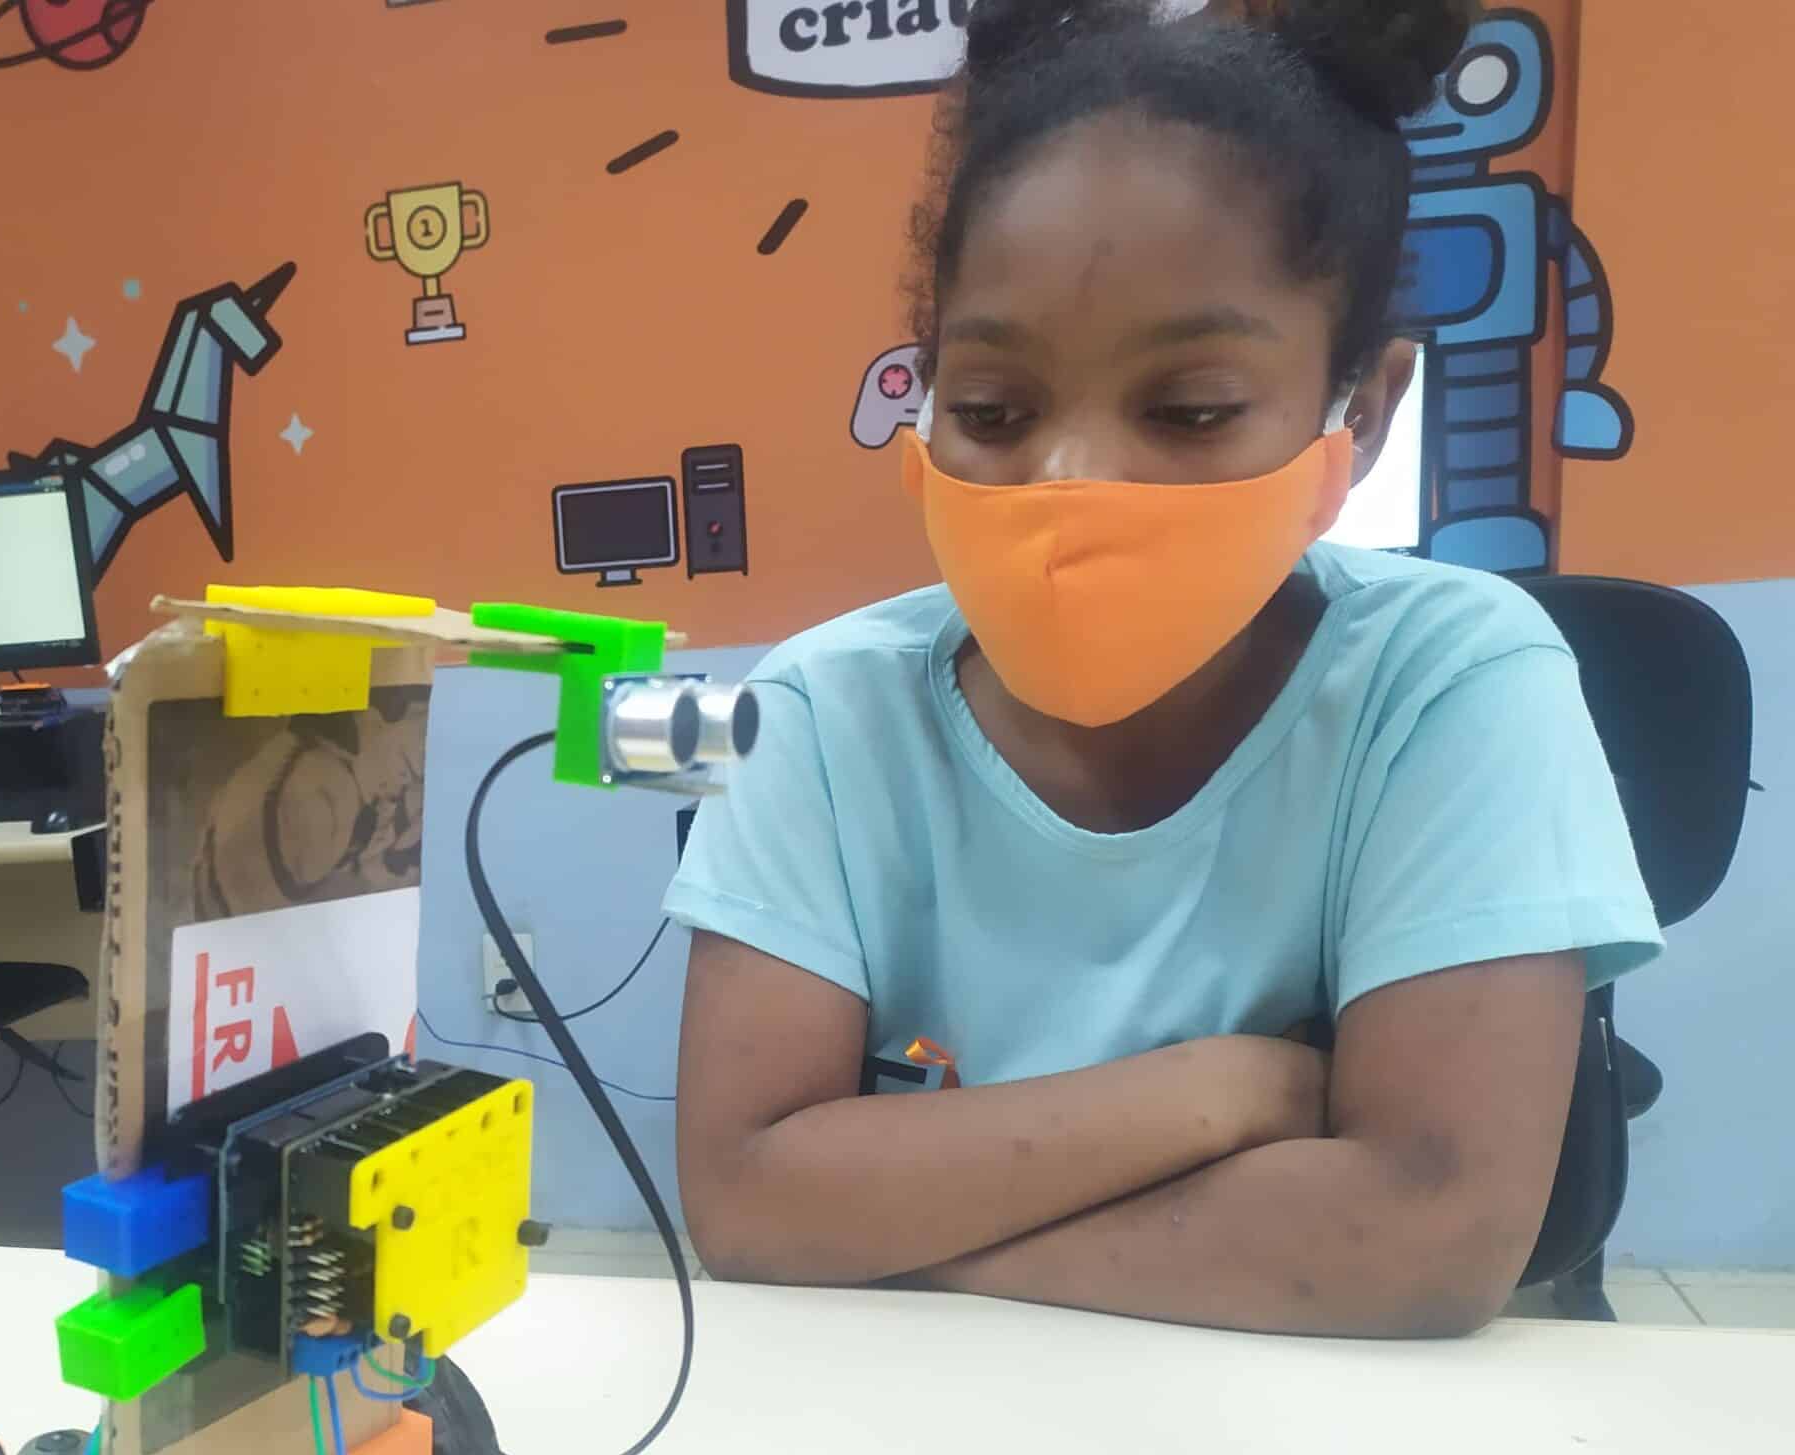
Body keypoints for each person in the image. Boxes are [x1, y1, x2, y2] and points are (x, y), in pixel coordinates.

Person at [665, 0, 1658, 1337]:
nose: (1069, 479)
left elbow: (1427, 1237)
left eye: (1190, 411)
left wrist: (889, 1226)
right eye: (992, 411)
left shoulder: (1450, 680)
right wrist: (1224, 1092)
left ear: (1361, 413)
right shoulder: (817, 714)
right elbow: (746, 1201)